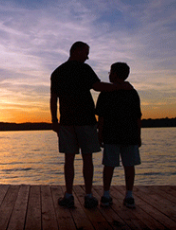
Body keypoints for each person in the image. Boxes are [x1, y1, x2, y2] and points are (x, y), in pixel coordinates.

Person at [50, 41, 132, 209]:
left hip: (66, 122)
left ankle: (69, 195)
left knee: (69, 159)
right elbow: (97, 87)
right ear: (77, 51)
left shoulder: (57, 72)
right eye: (86, 53)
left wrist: (54, 121)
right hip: (85, 121)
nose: (88, 56)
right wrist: (119, 86)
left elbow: (53, 98)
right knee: (87, 158)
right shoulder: (84, 69)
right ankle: (88, 196)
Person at [96, 62, 142, 209]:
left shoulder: (106, 93)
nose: (109, 74)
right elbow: (137, 117)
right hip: (130, 134)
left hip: (111, 134)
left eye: (110, 72)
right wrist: (138, 136)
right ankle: (129, 196)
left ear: (115, 74)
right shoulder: (132, 92)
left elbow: (101, 118)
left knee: (109, 165)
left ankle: (106, 195)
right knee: (129, 165)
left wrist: (100, 134)